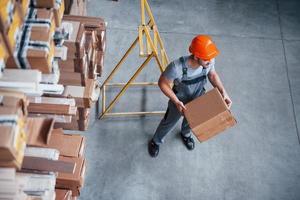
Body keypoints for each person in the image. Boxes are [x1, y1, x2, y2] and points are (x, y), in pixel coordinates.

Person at [148, 35, 232, 158]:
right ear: (196, 56)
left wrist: (223, 91)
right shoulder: (176, 67)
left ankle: (185, 134)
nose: (210, 61)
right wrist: (176, 102)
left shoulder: (208, 61)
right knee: (169, 122)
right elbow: (162, 83)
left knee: (192, 121)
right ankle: (156, 141)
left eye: (211, 58)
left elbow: (212, 75)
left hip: (198, 97)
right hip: (179, 102)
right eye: (207, 59)